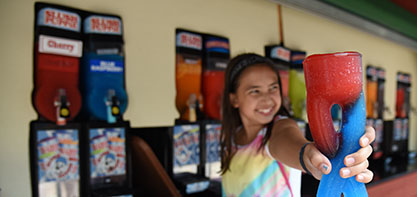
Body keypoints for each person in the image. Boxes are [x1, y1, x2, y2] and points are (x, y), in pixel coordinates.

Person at [220, 53, 375, 196]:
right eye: (255, 91)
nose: (267, 99)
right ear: (234, 99)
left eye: (273, 88)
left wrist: (310, 158)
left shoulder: (279, 128)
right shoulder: (231, 138)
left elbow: (290, 142)